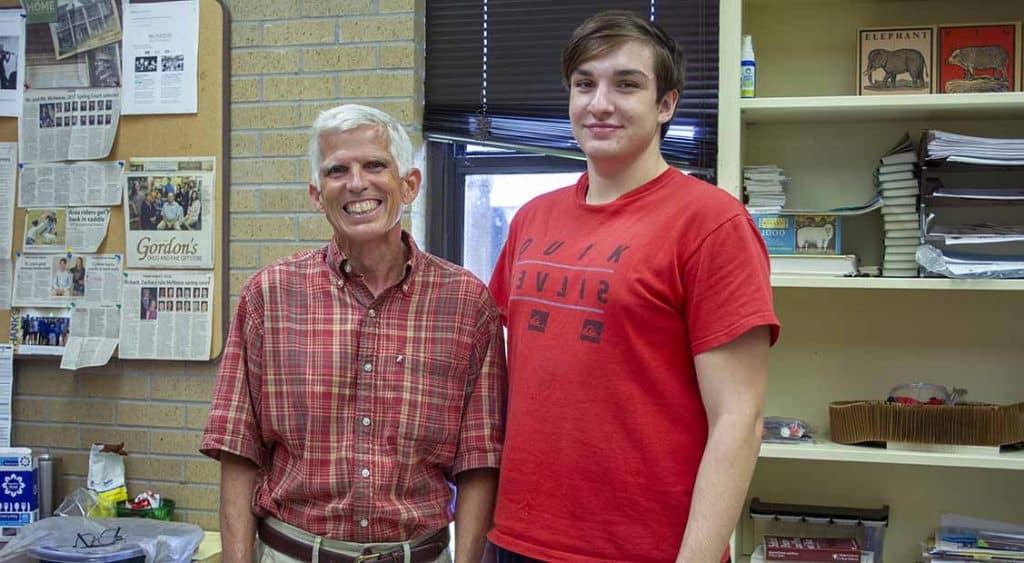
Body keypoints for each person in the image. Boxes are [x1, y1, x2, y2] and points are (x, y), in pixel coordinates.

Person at [486, 11, 780, 563]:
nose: (600, 103)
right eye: (584, 84)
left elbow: (739, 420)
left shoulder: (713, 224)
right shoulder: (532, 219)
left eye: (626, 84)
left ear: (666, 104)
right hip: (517, 539)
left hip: (645, 548)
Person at [201, 104, 507, 563]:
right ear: (316, 194)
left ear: (410, 184)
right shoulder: (268, 297)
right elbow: (238, 453)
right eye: (337, 170)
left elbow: (479, 462)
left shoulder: (466, 304)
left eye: (375, 165)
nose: (356, 183)